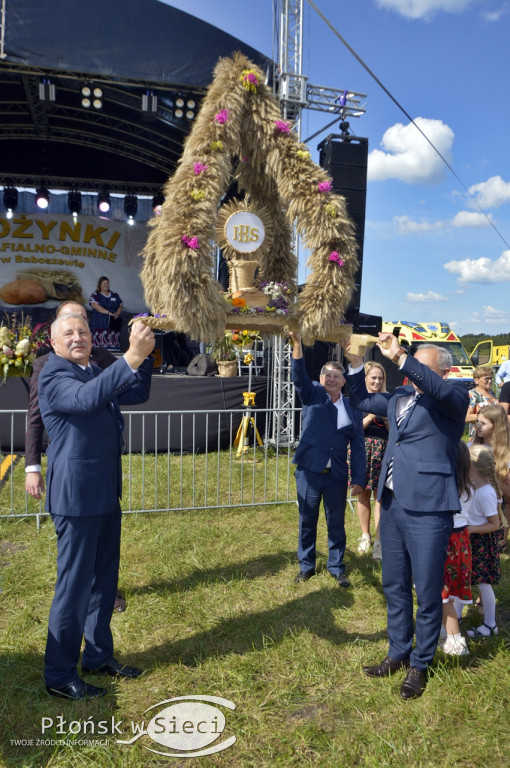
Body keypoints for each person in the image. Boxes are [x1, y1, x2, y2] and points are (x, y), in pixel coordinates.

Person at [344, 336, 469, 699]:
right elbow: (363, 400)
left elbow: (434, 387)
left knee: (427, 591)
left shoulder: (454, 400)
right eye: (410, 365)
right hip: (394, 502)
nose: (410, 371)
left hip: (430, 507)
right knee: (394, 584)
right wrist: (355, 365)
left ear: (443, 372)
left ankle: (420, 663)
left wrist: (400, 355)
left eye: (421, 366)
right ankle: (398, 652)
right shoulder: (399, 397)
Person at [40, 313, 154, 700]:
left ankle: (98, 656)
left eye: (83, 331)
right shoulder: (55, 374)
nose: (77, 337)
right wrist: (130, 358)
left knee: (103, 584)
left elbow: (137, 392)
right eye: (68, 333)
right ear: (54, 343)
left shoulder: (91, 369)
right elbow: (87, 401)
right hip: (76, 499)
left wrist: (146, 352)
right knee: (73, 588)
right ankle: (59, 674)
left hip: (105, 494)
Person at [25, 302, 126, 614]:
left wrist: (139, 357)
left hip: (104, 484)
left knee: (103, 569)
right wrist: (32, 466)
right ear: (55, 336)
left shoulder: (98, 361)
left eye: (83, 324)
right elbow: (36, 418)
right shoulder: (48, 368)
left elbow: (129, 387)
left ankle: (100, 644)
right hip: (76, 485)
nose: (77, 333)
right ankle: (62, 661)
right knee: (75, 578)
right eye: (69, 328)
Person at [289, 331, 365, 588]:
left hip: (336, 476)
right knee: (307, 520)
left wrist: (359, 477)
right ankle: (306, 566)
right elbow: (298, 376)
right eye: (327, 375)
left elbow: (358, 444)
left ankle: (336, 566)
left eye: (336, 376)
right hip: (309, 471)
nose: (331, 379)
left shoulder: (352, 407)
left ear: (343, 381)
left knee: (336, 522)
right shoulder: (312, 396)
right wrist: (297, 344)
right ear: (320, 379)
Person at [464, 445, 504, 639]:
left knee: (483, 584)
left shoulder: (486, 492)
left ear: (472, 466)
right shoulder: (474, 486)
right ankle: (454, 617)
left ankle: (490, 624)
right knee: (464, 579)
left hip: (481, 544)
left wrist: (471, 529)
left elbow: (495, 524)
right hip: (472, 541)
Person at [438, 441, 473, 656]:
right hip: (461, 540)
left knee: (442, 592)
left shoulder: (447, 488)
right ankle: (444, 631)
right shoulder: (468, 486)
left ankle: (455, 640)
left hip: (447, 540)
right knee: (449, 591)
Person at [354, 361, 388, 561]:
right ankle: (365, 535)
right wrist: (371, 416)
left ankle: (380, 541)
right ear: (365, 378)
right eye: (373, 377)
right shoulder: (358, 400)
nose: (377, 381)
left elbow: (393, 432)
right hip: (362, 449)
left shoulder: (388, 399)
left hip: (383, 449)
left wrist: (385, 419)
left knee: (380, 497)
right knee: (363, 494)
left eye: (380, 378)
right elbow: (353, 428)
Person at [471, 404, 510, 552]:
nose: (478, 426)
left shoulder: (505, 452)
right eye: (477, 421)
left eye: (483, 423)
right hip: (474, 503)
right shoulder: (471, 447)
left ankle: (501, 540)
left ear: (497, 426)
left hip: (494, 502)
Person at [89, 276, 123, 350]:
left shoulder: (114, 294)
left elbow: (120, 305)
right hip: (99, 322)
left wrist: (117, 313)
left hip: (113, 321)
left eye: (107, 283)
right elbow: (94, 305)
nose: (106, 285)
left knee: (113, 340)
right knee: (100, 342)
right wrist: (108, 312)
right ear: (100, 285)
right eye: (104, 283)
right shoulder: (96, 294)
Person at [465, 365, 498, 437]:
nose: (490, 381)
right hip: (479, 435)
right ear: (476, 380)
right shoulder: (472, 394)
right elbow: (467, 417)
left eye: (491, 378)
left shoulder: (492, 393)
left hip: (493, 435)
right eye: (486, 379)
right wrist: (488, 416)